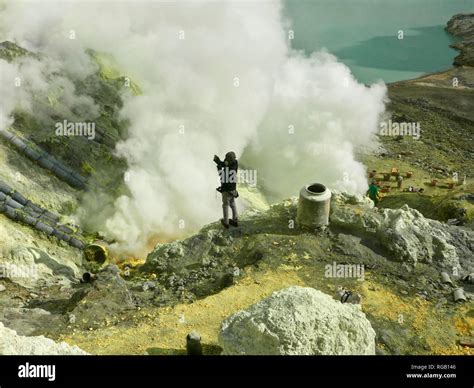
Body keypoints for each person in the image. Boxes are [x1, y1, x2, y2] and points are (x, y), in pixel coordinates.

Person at [213, 152, 239, 228]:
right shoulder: (235, 163)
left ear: (229, 159)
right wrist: (219, 162)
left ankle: (226, 222)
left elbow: (222, 176)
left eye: (226, 158)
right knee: (233, 204)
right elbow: (226, 164)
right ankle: (235, 220)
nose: (225, 160)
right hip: (233, 189)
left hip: (227, 189)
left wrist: (219, 167)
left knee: (225, 205)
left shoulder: (228, 171)